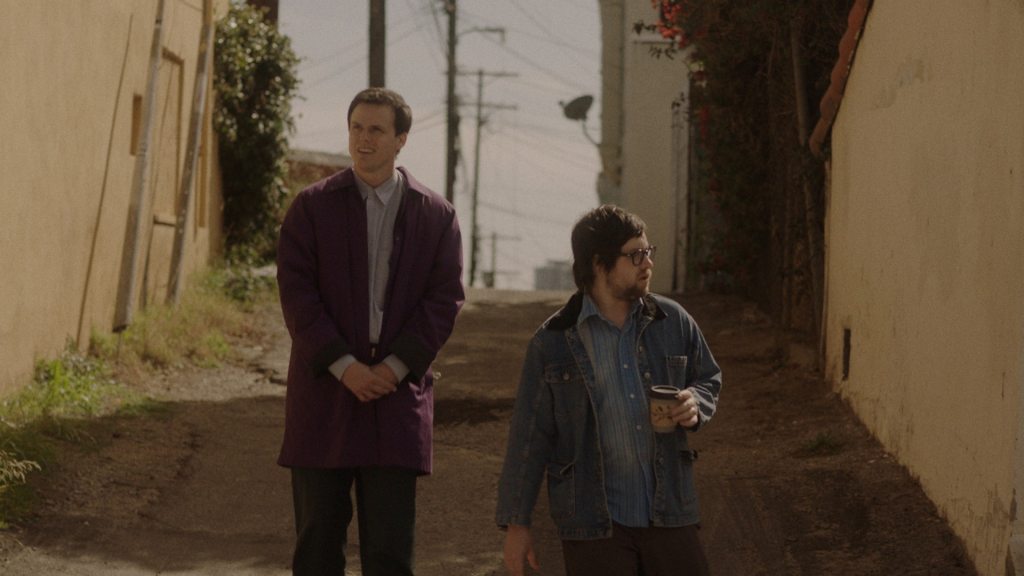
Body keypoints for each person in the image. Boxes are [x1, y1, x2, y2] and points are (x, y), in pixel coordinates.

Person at [276, 87, 464, 576]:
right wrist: (345, 366)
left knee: (388, 553)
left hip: (396, 399)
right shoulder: (311, 208)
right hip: (324, 394)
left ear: (401, 139)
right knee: (317, 546)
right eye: (356, 127)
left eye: (376, 129)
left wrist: (394, 368)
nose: (363, 139)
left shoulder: (436, 215)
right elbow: (297, 296)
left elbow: (444, 301)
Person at [495, 204, 722, 576]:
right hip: (594, 523)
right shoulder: (552, 343)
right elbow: (528, 437)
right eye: (635, 255)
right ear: (599, 264)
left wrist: (696, 401)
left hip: (669, 510)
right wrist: (517, 526)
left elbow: (708, 377)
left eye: (648, 252)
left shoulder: (673, 321)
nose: (647, 263)